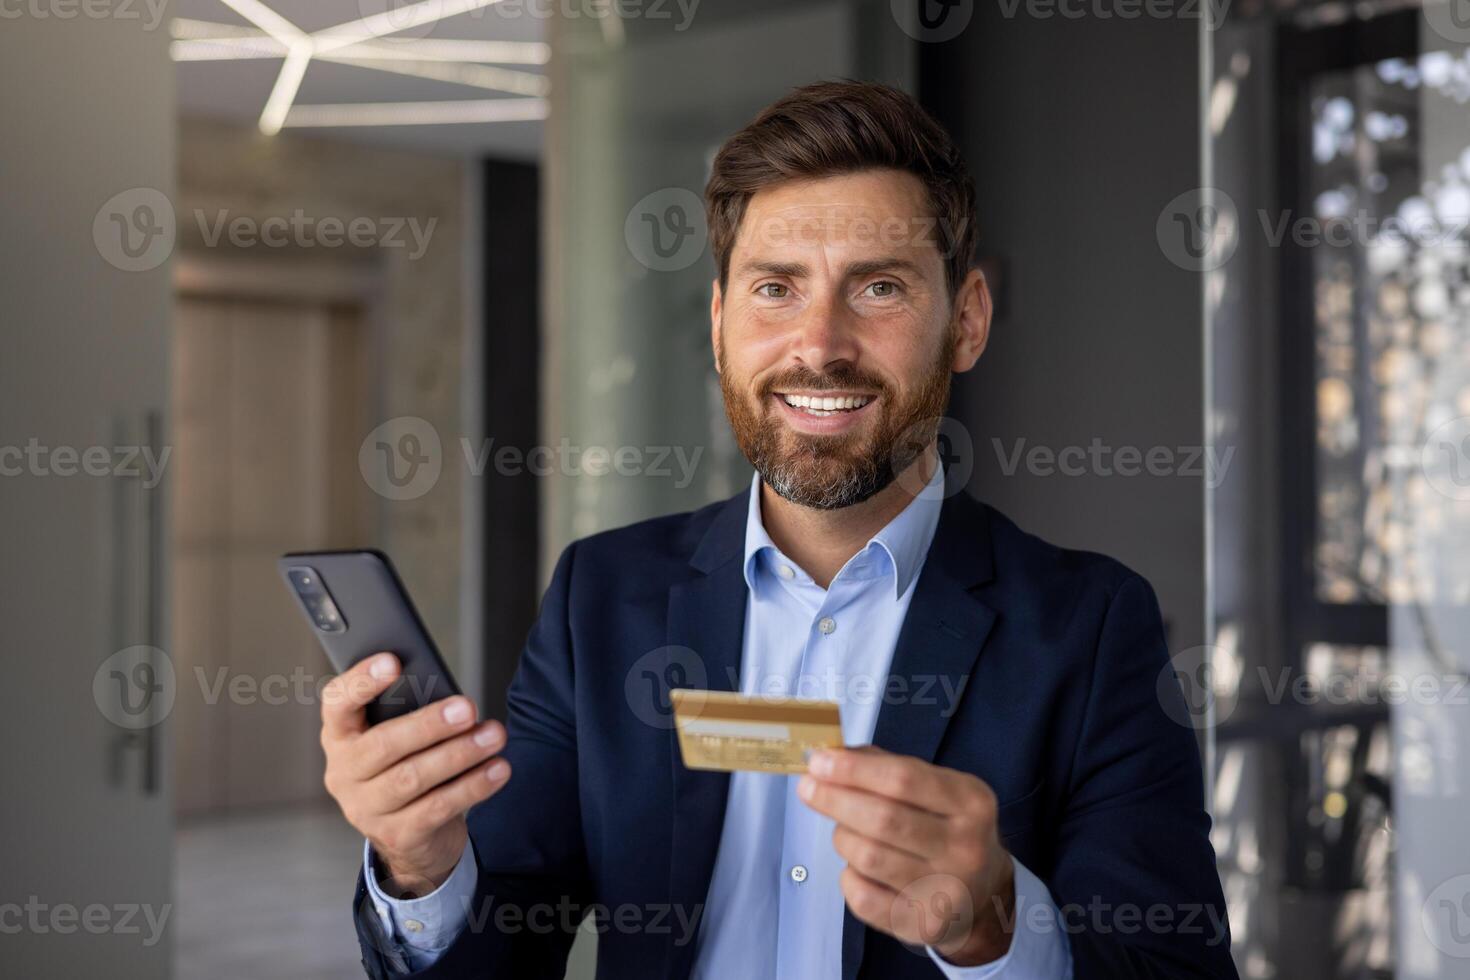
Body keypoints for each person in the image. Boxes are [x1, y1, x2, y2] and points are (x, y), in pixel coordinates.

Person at [319, 80, 1238, 980]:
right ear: (719, 323)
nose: (820, 342)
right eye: (775, 288)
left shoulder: (1091, 626)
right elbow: (504, 950)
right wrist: (421, 865)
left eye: (879, 288)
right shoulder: (601, 596)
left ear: (967, 322)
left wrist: (998, 928)